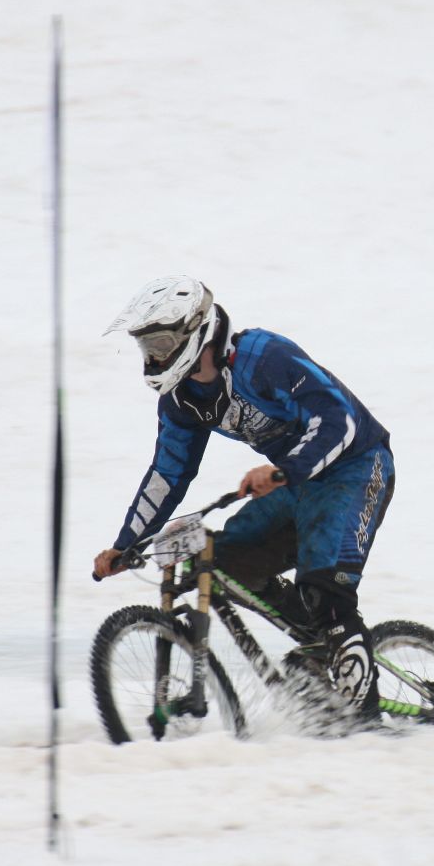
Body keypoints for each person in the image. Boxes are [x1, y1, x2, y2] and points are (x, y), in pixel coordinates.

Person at [92, 275, 395, 728]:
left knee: (326, 589)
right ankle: (318, 646)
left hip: (355, 468)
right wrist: (126, 543)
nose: (153, 357)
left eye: (160, 343)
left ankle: (367, 725)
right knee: (225, 562)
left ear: (195, 332)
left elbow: (339, 421)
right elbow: (167, 473)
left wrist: (281, 471)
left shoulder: (263, 357)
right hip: (293, 483)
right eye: (147, 347)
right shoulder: (182, 401)